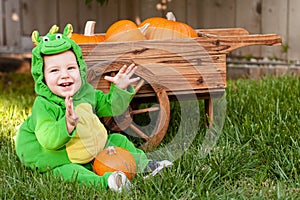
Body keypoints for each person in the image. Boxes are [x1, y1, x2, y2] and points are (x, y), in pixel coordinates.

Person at [15, 24, 172, 193]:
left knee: (119, 141)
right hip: (59, 154)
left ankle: (146, 166)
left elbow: (112, 107)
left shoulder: (86, 92)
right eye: (54, 71)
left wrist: (120, 89)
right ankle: (108, 182)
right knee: (69, 172)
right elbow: (47, 139)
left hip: (90, 142)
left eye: (71, 68)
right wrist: (66, 124)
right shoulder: (44, 105)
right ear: (43, 78)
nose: (65, 75)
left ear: (80, 69)